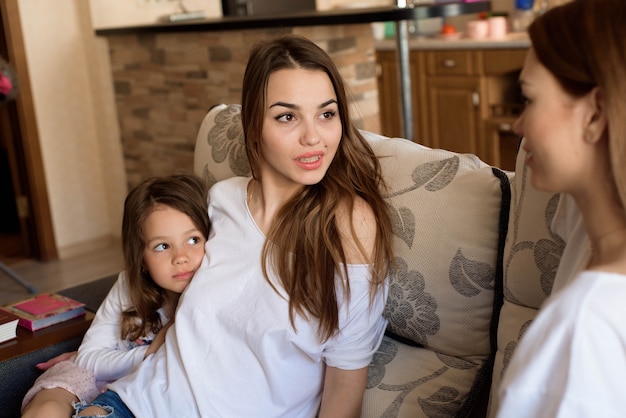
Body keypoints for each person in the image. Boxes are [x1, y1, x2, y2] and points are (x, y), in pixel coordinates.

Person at [75, 34, 395, 418]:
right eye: (287, 116)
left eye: (327, 114)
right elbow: (157, 276)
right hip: (134, 404)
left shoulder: (349, 224)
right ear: (253, 125)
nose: (314, 137)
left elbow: (345, 381)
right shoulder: (219, 200)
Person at [497, 0, 626, 416]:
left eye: (528, 99)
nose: (518, 126)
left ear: (597, 112)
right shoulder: (580, 220)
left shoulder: (584, 329)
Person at [21, 174, 210, 418]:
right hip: (94, 375)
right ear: (141, 257)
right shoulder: (128, 286)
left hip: (146, 390)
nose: (181, 257)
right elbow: (89, 358)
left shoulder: (212, 293)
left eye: (193, 240)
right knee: (46, 408)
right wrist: (149, 352)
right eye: (162, 246)